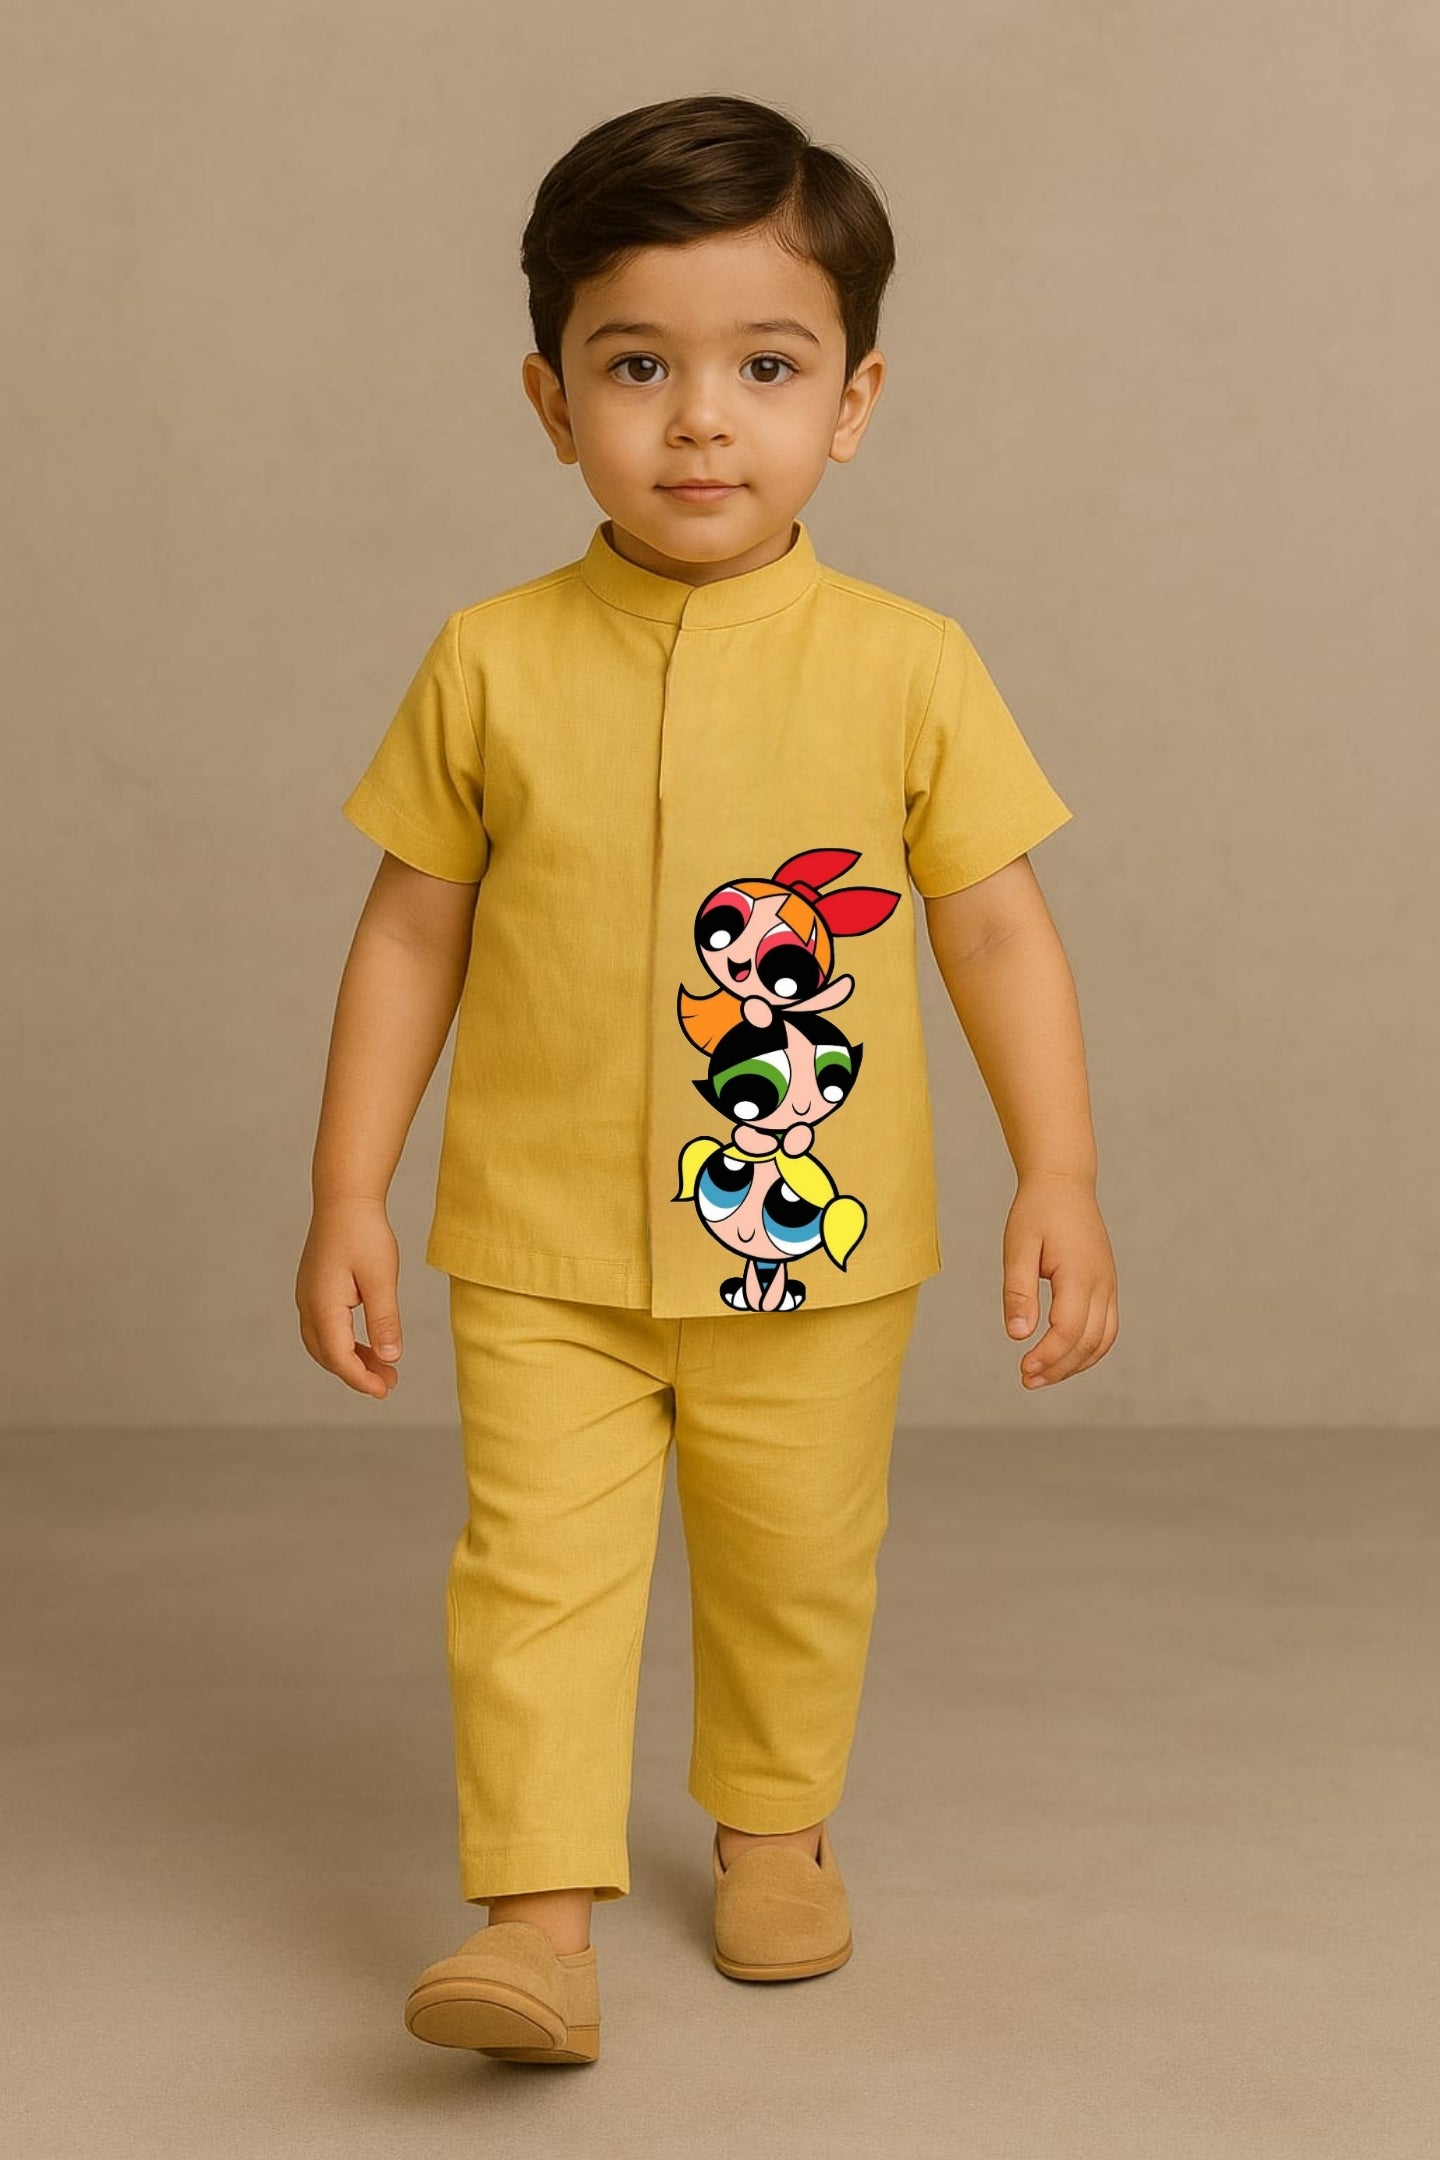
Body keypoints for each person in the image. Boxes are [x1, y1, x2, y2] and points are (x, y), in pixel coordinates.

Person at [295, 91, 1119, 2067]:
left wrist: (1062, 1175)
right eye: (635, 366)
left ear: (853, 400)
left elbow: (997, 934)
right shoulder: (489, 660)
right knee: (533, 1574)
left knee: (795, 1558)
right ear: (550, 398)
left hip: (806, 1245)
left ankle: (776, 1825)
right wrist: (344, 1193)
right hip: (540, 1239)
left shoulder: (910, 664)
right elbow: (410, 933)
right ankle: (535, 1922)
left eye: (765, 367)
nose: (699, 423)